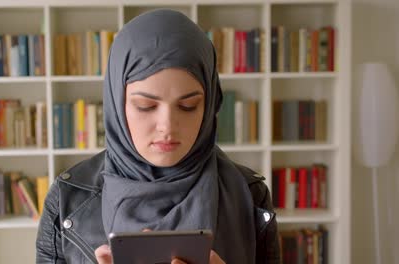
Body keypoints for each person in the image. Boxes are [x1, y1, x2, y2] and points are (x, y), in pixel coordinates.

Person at [36, 9, 279, 264]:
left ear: (209, 107)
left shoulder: (250, 196)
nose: (167, 126)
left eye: (188, 106)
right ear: (117, 104)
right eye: (145, 105)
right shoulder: (67, 199)